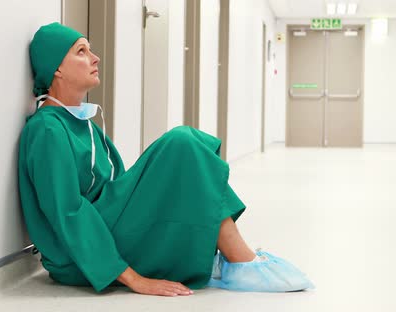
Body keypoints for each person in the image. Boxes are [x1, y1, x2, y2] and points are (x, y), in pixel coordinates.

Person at [18, 22, 313, 297]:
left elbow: (119, 187)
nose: (95, 58)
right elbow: (68, 212)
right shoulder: (47, 130)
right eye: (82, 52)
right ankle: (240, 260)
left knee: (187, 152)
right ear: (56, 68)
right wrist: (135, 279)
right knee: (181, 143)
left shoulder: (86, 126)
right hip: (80, 256)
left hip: (105, 230)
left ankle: (228, 255)